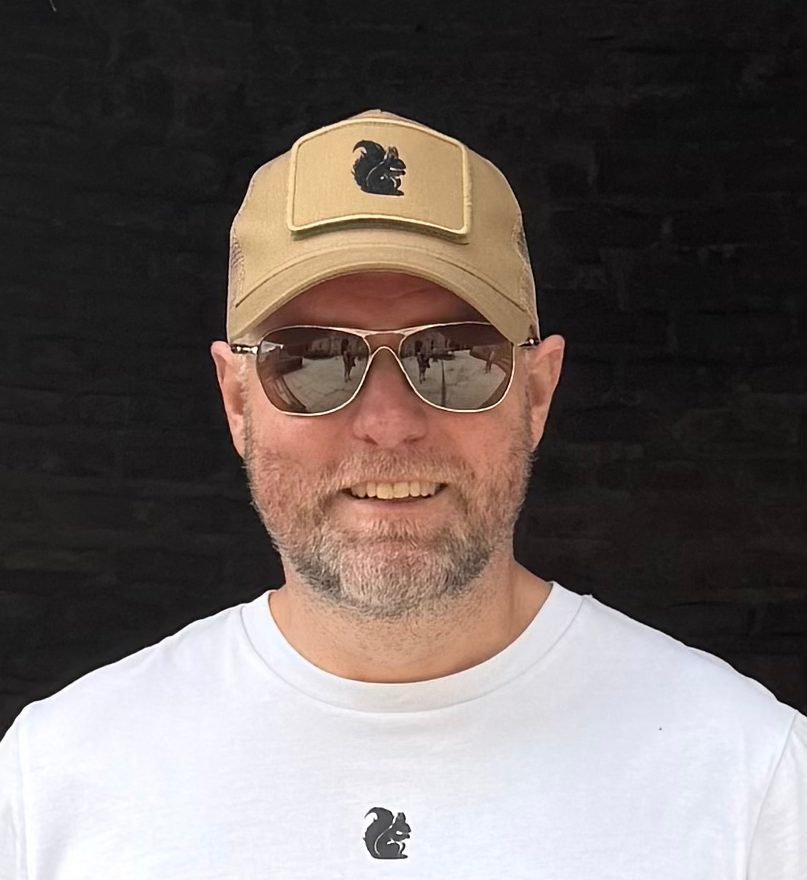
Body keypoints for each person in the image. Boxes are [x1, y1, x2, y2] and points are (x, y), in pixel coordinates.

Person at [0, 109, 804, 879]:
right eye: (313, 360)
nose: (388, 425)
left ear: (537, 391)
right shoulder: (58, 779)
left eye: (452, 357)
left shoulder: (748, 777)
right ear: (237, 399)